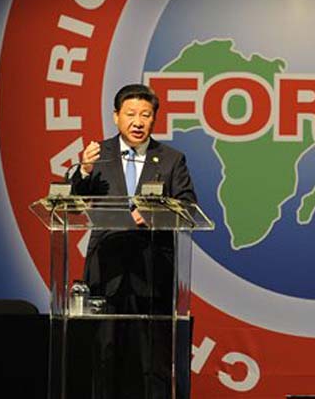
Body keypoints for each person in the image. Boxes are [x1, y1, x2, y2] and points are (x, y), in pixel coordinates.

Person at [70, 83, 197, 398]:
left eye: (145, 114)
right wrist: (83, 170)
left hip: (152, 271)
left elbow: (189, 209)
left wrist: (154, 214)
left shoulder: (170, 159)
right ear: (116, 117)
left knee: (153, 359)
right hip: (107, 270)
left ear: (154, 119)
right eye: (130, 114)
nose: (138, 121)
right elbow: (73, 203)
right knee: (104, 352)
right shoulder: (96, 155)